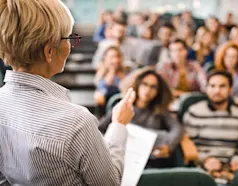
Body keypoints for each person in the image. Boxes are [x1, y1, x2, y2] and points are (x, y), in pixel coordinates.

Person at [0, 0, 136, 185]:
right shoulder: (76, 122)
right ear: (49, 52)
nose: (71, 45)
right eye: (68, 38)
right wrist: (119, 125)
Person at [99, 67, 183, 168]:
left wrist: (169, 146)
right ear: (138, 84)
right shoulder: (123, 107)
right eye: (145, 84)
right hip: (122, 157)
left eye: (153, 87)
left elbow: (177, 129)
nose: (148, 90)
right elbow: (100, 129)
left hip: (149, 160)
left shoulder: (160, 111)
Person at [183, 71, 238, 179]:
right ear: (206, 88)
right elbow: (188, 146)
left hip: (231, 170)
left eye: (222, 86)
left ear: (230, 90)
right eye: (212, 86)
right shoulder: (195, 112)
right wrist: (205, 160)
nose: (217, 90)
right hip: (201, 169)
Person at [94, 46, 126, 115]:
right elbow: (101, 91)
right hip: (108, 107)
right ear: (105, 59)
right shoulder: (101, 73)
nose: (116, 60)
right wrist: (112, 72)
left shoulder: (126, 71)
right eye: (112, 57)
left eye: (118, 57)